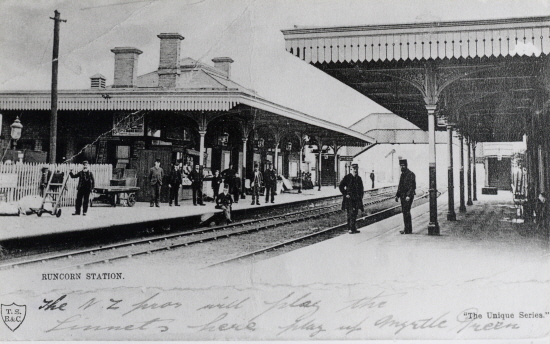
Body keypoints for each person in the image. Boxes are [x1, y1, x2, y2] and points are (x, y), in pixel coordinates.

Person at [339, 162, 364, 234]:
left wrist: (360, 197)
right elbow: (341, 186)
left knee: (355, 213)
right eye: (354, 169)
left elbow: (361, 189)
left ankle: (353, 228)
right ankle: (350, 228)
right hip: (349, 199)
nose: (355, 170)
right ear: (351, 169)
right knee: (350, 213)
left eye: (356, 169)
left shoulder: (359, 178)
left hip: (356, 199)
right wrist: (345, 194)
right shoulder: (347, 177)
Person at [395, 159, 416, 234]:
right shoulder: (402, 175)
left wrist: (408, 195)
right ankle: (407, 228)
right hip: (402, 196)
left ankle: (408, 229)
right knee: (404, 212)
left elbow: (412, 187)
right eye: (401, 166)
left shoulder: (411, 174)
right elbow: (400, 186)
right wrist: (397, 195)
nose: (402, 167)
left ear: (406, 165)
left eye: (403, 165)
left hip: (408, 197)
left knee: (406, 211)